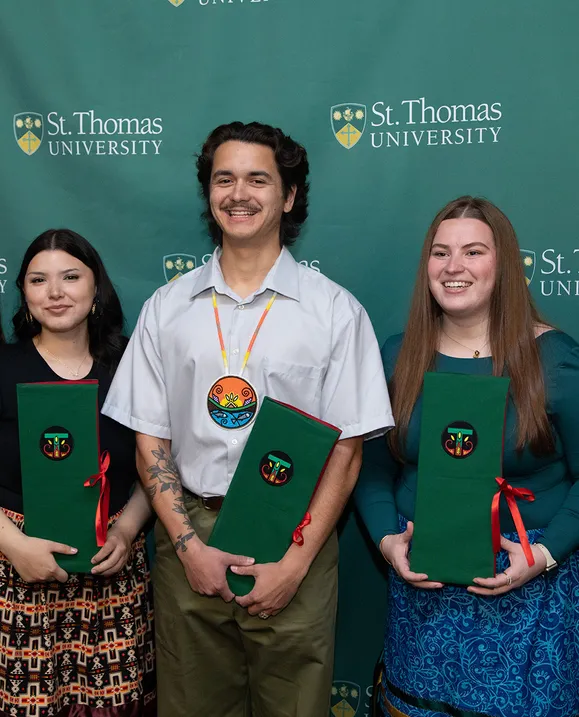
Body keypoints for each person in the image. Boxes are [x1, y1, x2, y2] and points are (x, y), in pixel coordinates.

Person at [102, 121, 394, 717]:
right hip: (190, 537)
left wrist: (296, 563)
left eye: (258, 179)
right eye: (224, 179)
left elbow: (347, 450)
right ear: (209, 194)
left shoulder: (334, 311)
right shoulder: (167, 307)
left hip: (295, 540)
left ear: (288, 196)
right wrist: (186, 545)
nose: (239, 193)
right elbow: (149, 437)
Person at [355, 196, 579, 717]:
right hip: (423, 592)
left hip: (527, 592)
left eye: (473, 251)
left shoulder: (556, 360)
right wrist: (389, 542)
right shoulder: (396, 355)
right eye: (440, 252)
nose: (453, 267)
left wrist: (544, 557)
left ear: (503, 265)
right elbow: (372, 469)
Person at [0, 229, 156, 716]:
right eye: (39, 280)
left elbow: (159, 465)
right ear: (24, 294)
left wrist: (128, 531)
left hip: (112, 569)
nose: (55, 292)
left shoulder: (133, 364)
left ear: (96, 290)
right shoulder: (3, 366)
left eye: (71, 276)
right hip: (15, 568)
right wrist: (15, 545)